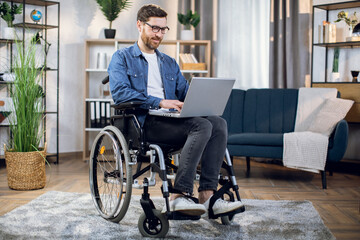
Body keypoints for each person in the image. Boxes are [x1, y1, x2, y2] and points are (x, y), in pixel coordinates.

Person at [108, 4, 243, 217]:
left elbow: (185, 93)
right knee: (201, 126)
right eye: (154, 28)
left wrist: (201, 100)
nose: (159, 34)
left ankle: (207, 195)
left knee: (218, 123)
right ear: (139, 25)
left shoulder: (169, 63)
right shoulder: (122, 57)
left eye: (163, 29)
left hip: (171, 120)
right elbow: (120, 94)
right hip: (144, 123)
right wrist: (159, 102)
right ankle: (178, 195)